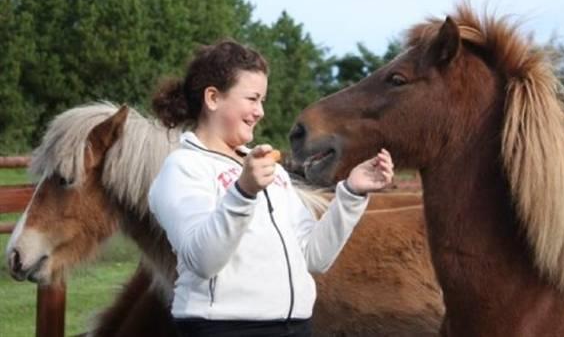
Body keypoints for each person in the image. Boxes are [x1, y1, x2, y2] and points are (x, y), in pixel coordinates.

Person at [148, 40, 393, 337]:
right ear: (212, 97)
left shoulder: (270, 170)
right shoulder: (182, 168)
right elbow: (203, 261)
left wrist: (352, 193)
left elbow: (314, 257)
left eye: (262, 100)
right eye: (252, 98)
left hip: (295, 326)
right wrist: (243, 193)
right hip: (223, 328)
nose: (260, 111)